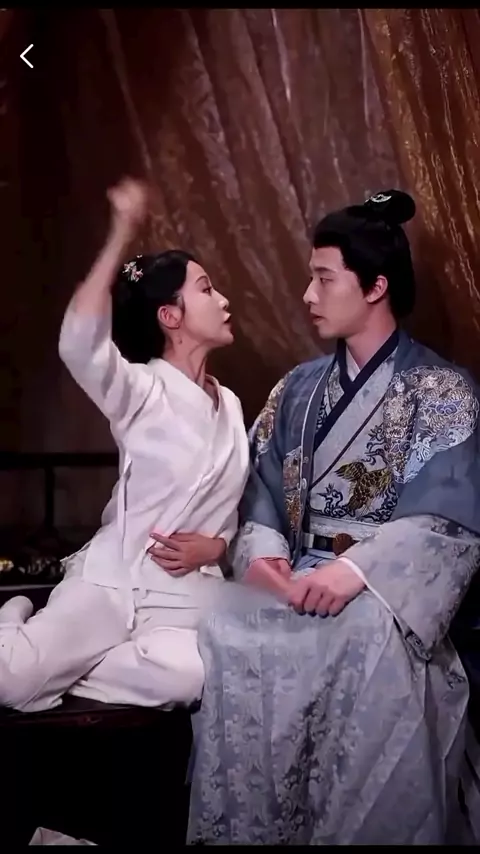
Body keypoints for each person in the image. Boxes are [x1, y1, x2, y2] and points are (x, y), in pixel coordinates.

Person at [187, 189, 480, 845]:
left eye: (324, 279)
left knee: (368, 636)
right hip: (296, 573)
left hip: (380, 590)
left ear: (375, 286)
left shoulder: (441, 391)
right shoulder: (296, 389)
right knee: (227, 625)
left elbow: (448, 519)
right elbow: (260, 487)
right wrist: (265, 557)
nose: (308, 295)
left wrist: (356, 573)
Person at [0, 177, 249, 713]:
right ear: (170, 316)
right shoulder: (141, 389)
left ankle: (66, 665)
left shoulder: (230, 406)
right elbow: (80, 345)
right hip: (113, 582)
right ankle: (13, 623)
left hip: (186, 591)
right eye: (207, 289)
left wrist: (219, 548)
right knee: (11, 684)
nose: (223, 299)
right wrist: (120, 234)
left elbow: (229, 512)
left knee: (193, 679)